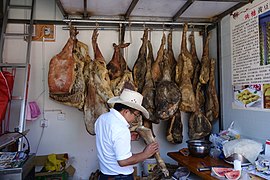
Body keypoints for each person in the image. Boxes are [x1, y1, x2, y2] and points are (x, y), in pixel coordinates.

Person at [95, 88, 159, 180]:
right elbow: (123, 162)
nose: (135, 119)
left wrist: (126, 138)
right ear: (126, 111)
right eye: (136, 115)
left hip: (105, 175)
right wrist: (146, 154)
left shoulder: (102, 118)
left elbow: (107, 139)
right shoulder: (121, 128)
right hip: (120, 177)